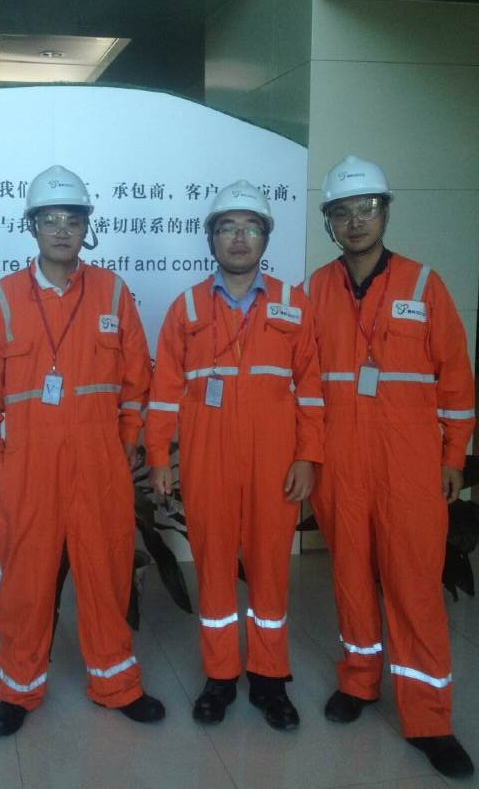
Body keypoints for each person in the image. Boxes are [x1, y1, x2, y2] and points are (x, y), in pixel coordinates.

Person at [0, 165, 165, 735]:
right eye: (49, 219)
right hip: (28, 469)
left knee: (106, 572)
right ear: (32, 226)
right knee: (26, 583)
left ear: (86, 227)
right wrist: (0, 467)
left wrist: (127, 442)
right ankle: (18, 690)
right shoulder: (2, 300)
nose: (60, 230)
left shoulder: (112, 292)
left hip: (99, 464)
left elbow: (136, 381)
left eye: (72, 219)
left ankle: (116, 683)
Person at [306, 155, 475, 778]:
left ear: (385, 213)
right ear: (329, 222)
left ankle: (429, 719)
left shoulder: (425, 286)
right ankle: (359, 680)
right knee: (350, 578)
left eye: (367, 209)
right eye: (342, 212)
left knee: (414, 588)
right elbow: (302, 383)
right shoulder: (314, 292)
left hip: (409, 470)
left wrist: (453, 456)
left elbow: (456, 381)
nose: (356, 221)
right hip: (340, 467)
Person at [145, 180, 324, 728]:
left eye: (251, 227)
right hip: (209, 462)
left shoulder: (293, 304)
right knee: (215, 568)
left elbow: (311, 387)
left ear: (266, 237)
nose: (240, 238)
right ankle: (220, 676)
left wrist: (307, 456)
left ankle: (270, 678)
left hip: (275, 463)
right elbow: (164, 390)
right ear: (211, 238)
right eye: (228, 227)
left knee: (270, 569)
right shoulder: (187, 307)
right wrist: (159, 456)